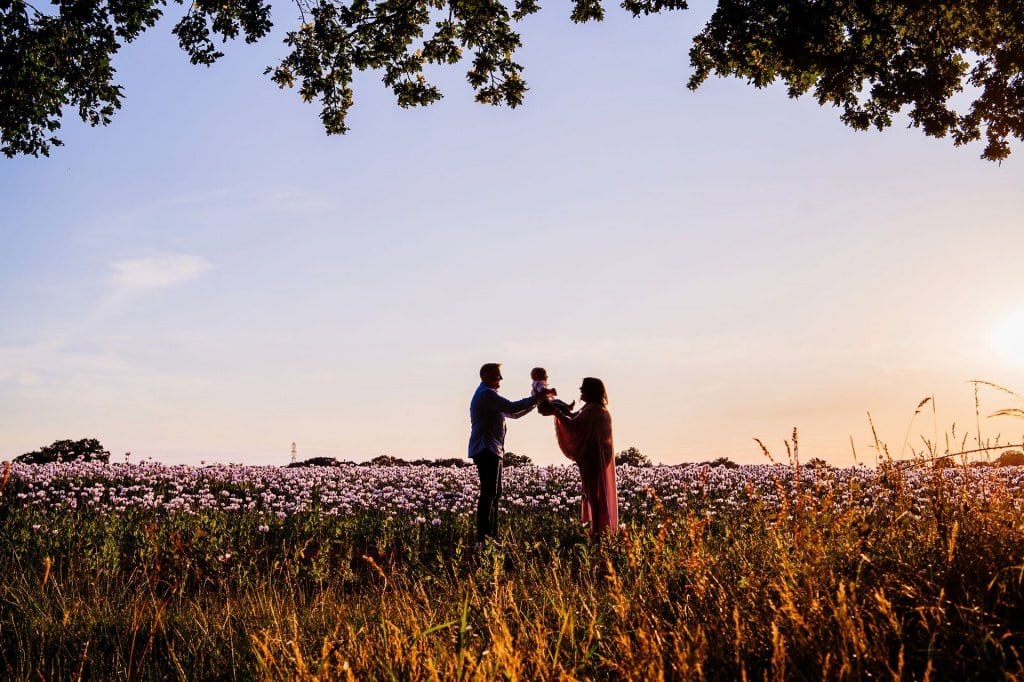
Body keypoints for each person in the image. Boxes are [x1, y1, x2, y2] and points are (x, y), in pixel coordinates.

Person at [468, 363, 539, 544]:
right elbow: (513, 407)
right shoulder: (486, 394)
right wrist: (537, 398)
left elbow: (513, 414)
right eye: (497, 376)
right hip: (486, 448)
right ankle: (483, 538)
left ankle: (492, 536)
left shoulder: (489, 395)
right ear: (485, 376)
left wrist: (536, 401)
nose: (501, 379)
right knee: (489, 493)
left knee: (495, 493)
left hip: (493, 449)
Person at [554, 377, 618, 537]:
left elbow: (573, 425)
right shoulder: (593, 408)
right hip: (593, 457)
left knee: (593, 494)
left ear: (591, 391)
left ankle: (598, 529)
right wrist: (558, 408)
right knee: (592, 493)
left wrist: (555, 412)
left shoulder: (594, 410)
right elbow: (574, 417)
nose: (580, 391)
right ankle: (597, 528)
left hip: (593, 457)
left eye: (583, 388)